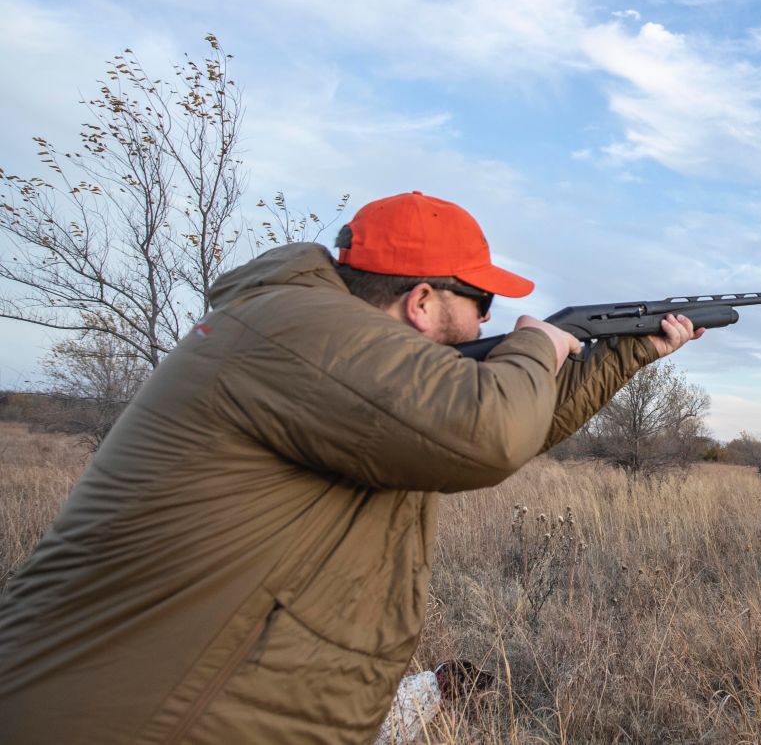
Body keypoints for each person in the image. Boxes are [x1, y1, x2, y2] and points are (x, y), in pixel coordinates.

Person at [0, 190, 702, 744]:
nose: (490, 320)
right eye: (481, 300)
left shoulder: (310, 340)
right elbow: (486, 430)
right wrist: (537, 343)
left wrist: (626, 351)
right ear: (422, 300)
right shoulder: (298, 330)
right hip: (146, 716)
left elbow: (514, 424)